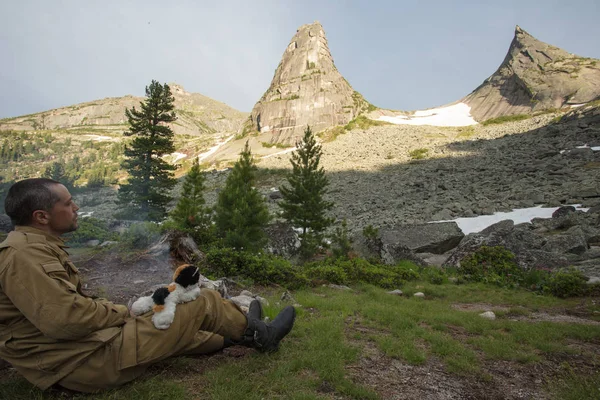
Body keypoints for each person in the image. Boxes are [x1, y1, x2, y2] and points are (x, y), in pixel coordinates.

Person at [0, 178, 296, 393]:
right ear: (41, 217)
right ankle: (261, 334)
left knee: (165, 312)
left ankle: (241, 334)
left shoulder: (34, 246)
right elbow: (64, 319)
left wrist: (117, 313)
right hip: (83, 363)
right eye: (67, 203)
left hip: (81, 352)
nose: (76, 207)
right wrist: (120, 312)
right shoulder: (23, 256)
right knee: (200, 299)